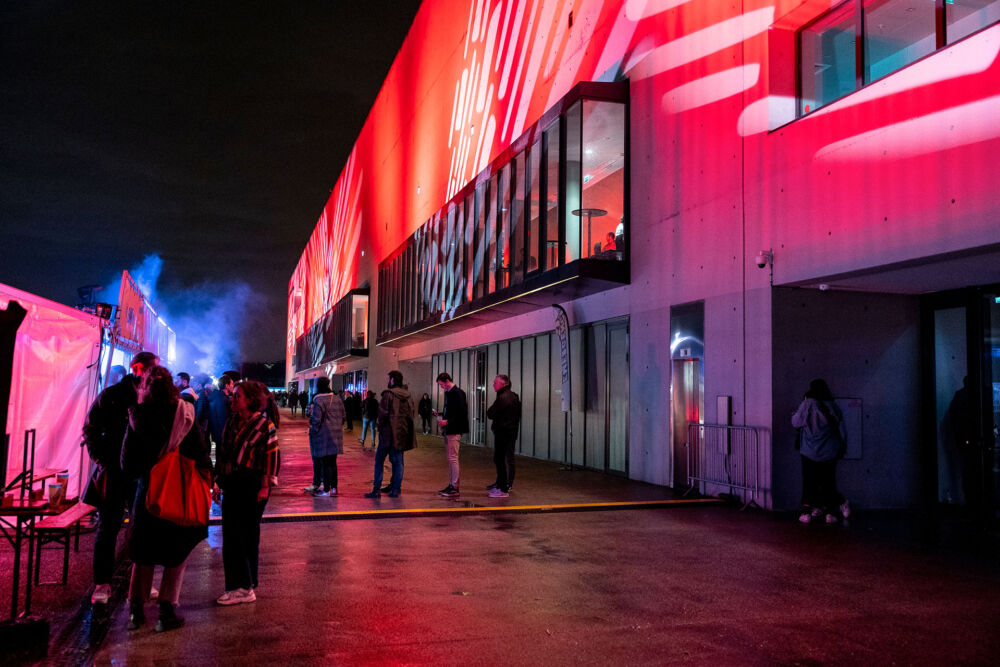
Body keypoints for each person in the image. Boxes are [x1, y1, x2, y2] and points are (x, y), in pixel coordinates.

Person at [121, 366, 211, 632]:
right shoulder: (184, 413)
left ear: (145, 386)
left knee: (143, 553)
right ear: (172, 384)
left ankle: (136, 611)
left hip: (148, 494)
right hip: (177, 492)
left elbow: (127, 463)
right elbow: (199, 451)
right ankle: (166, 611)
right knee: (177, 551)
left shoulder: (137, 415)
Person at [82, 350, 159, 605]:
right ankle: (102, 583)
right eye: (151, 368)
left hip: (143, 471)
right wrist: (102, 458)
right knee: (109, 526)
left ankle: (141, 582)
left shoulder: (154, 397)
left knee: (143, 528)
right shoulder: (113, 395)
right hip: (115, 470)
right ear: (136, 368)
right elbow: (90, 427)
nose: (154, 373)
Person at [213, 381, 280, 605]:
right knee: (231, 535)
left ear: (250, 400)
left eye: (237, 396)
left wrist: (265, 486)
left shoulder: (264, 424)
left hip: (252, 483)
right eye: (232, 396)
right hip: (232, 481)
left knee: (244, 536)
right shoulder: (232, 421)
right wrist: (217, 481)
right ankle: (240, 585)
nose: (232, 400)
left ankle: (244, 587)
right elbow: (224, 453)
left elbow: (272, 457)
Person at [792, 378, 849, 524]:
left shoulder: (807, 404)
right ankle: (830, 512)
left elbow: (795, 422)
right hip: (830, 451)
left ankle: (807, 512)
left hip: (808, 451)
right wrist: (843, 447)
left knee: (809, 482)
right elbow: (841, 430)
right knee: (828, 482)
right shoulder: (832, 406)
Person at [365, 371, 416, 498]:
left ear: (392, 380)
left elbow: (382, 415)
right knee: (398, 462)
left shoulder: (388, 395)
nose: (387, 381)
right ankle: (395, 488)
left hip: (387, 434)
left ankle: (376, 490)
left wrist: (380, 428)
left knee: (379, 461)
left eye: (388, 379)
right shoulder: (408, 396)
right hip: (401, 434)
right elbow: (411, 415)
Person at [306, 377, 345, 496]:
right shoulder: (337, 398)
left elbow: (316, 420)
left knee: (325, 463)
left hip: (323, 437)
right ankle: (334, 489)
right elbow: (344, 416)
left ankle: (326, 490)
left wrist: (312, 431)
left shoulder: (319, 400)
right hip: (336, 436)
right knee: (333, 463)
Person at [486, 374, 521, 498]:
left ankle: (503, 488)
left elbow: (490, 413)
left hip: (503, 433)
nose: (493, 384)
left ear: (504, 383)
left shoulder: (503, 397)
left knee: (500, 459)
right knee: (502, 459)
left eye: (496, 382)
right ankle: (502, 485)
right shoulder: (513, 396)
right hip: (509, 432)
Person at [435, 372, 468, 498]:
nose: (441, 387)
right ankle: (452, 485)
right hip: (451, 429)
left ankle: (454, 487)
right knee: (451, 458)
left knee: (453, 458)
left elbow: (461, 413)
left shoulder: (456, 393)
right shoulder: (453, 393)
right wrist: (441, 415)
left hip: (454, 429)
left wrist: (446, 421)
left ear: (447, 380)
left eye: (441, 384)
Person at [204, 375, 234, 447]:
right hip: (222, 434)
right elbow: (222, 418)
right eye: (232, 384)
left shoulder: (216, 396)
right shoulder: (222, 399)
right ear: (227, 386)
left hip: (217, 433)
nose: (233, 386)